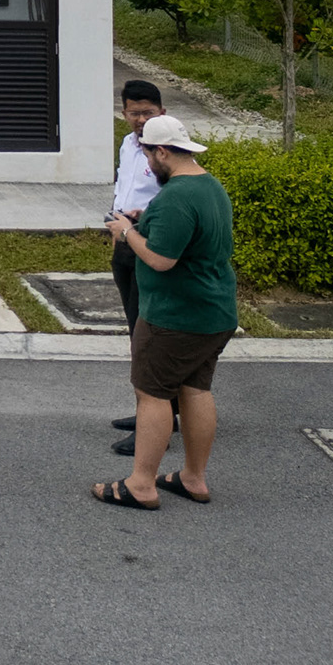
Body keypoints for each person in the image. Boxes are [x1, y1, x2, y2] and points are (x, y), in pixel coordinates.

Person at [92, 116, 236, 510]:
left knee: (152, 394)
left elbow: (160, 259)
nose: (147, 164)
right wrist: (146, 221)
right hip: (214, 312)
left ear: (161, 152)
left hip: (175, 317)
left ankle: (141, 485)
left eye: (148, 156)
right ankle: (193, 478)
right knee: (195, 389)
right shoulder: (209, 186)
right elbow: (186, 234)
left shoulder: (175, 196)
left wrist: (126, 233)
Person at [107, 82, 168, 451]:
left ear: (162, 111)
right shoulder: (128, 144)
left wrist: (138, 220)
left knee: (149, 336)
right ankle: (151, 410)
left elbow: (173, 199)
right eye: (134, 112)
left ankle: (156, 419)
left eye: (148, 112)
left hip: (148, 242)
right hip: (124, 240)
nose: (141, 119)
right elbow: (124, 185)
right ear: (124, 113)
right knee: (135, 329)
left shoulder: (167, 149)